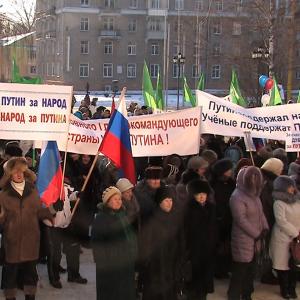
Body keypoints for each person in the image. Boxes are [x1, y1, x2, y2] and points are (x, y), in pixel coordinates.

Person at [0, 157, 63, 300]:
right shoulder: (3, 195)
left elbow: (39, 211)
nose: (19, 174)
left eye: (21, 171)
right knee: (11, 277)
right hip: (12, 242)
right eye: (15, 171)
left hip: (30, 241)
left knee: (30, 276)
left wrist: (53, 209)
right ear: (10, 174)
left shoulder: (33, 191)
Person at [228, 166, 269, 300]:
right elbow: (241, 219)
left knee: (250, 271)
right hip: (243, 239)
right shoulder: (237, 196)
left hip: (255, 239)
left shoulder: (255, 195)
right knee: (240, 270)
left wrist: (265, 227)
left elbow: (260, 213)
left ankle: (247, 294)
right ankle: (233, 294)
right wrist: (256, 233)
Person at [91, 186, 137, 300]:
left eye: (120, 199)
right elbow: (97, 246)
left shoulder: (123, 215)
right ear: (107, 202)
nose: (118, 201)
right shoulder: (101, 219)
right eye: (115, 199)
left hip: (126, 265)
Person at [142, 185, 183, 300]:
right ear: (159, 202)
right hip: (156, 268)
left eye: (171, 200)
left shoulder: (175, 218)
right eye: (166, 200)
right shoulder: (151, 219)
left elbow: (180, 240)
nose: (169, 203)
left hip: (171, 266)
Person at [185, 179, 218, 300]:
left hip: (208, 248)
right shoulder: (188, 208)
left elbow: (214, 227)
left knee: (205, 276)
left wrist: (214, 242)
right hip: (194, 248)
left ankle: (202, 296)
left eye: (204, 194)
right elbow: (186, 229)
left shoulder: (211, 207)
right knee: (194, 277)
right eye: (199, 194)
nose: (202, 197)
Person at [269, 176, 300, 299]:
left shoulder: (297, 200)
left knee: (295, 265)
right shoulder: (278, 202)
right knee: (283, 267)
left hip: (297, 237)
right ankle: (284, 289)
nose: (293, 188)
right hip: (283, 237)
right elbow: (281, 221)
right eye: (290, 186)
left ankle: (292, 289)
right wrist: (295, 233)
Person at [260, 158, 284, 285]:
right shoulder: (269, 183)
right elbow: (268, 202)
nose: (282, 171)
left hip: (264, 218)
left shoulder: (260, 177)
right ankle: (266, 274)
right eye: (280, 169)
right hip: (267, 219)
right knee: (266, 247)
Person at [210, 159, 235, 279]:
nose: (231, 171)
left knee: (227, 245)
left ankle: (226, 268)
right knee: (219, 246)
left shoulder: (232, 183)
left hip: (230, 219)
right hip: (219, 220)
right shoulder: (213, 184)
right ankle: (218, 269)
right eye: (229, 169)